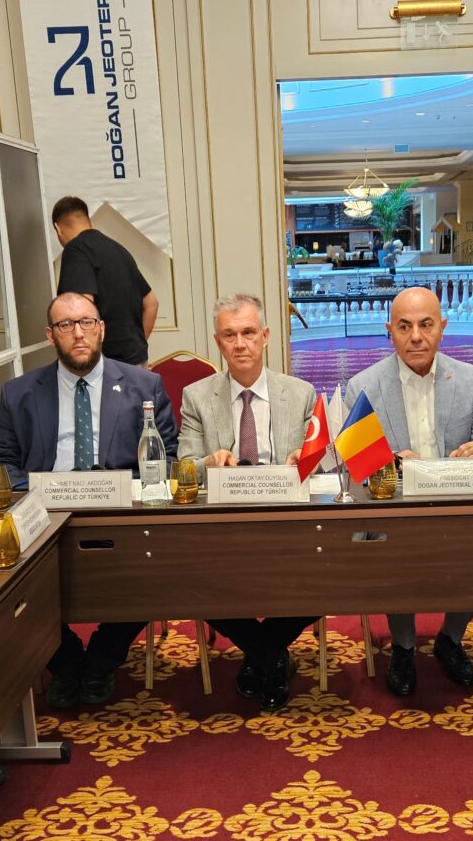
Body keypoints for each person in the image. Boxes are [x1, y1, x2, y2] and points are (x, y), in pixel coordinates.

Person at [0, 292, 178, 707]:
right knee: (10, 584)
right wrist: (40, 493)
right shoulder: (19, 393)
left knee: (155, 568)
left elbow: (167, 459)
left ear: (101, 329)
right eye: (66, 325)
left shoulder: (144, 385)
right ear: (50, 334)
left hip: (119, 514)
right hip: (46, 516)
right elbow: (1, 464)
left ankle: (103, 659)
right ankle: (67, 660)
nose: (78, 333)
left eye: (87, 322)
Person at [345, 287, 473, 695]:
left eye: (426, 325)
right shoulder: (363, 387)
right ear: (389, 331)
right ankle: (403, 646)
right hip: (395, 510)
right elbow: (354, 473)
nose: (416, 336)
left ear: (442, 328)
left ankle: (450, 638)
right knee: (393, 539)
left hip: (456, 506)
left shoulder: (469, 379)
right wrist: (390, 463)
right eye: (404, 326)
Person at [178, 293, 317, 711]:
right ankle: (271, 656)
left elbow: (325, 465)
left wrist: (305, 460)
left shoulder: (301, 393)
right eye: (230, 335)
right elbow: (183, 467)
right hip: (223, 527)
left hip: (289, 526)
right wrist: (208, 461)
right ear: (217, 342)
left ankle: (261, 654)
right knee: (190, 579)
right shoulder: (197, 396)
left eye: (249, 333)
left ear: (266, 336)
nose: (240, 344)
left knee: (328, 572)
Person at [53, 196, 159, 366]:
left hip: (104, 367)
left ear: (58, 229)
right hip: (137, 362)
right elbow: (151, 302)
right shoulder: (119, 249)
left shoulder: (75, 250)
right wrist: (136, 348)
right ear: (90, 222)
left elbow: (81, 309)